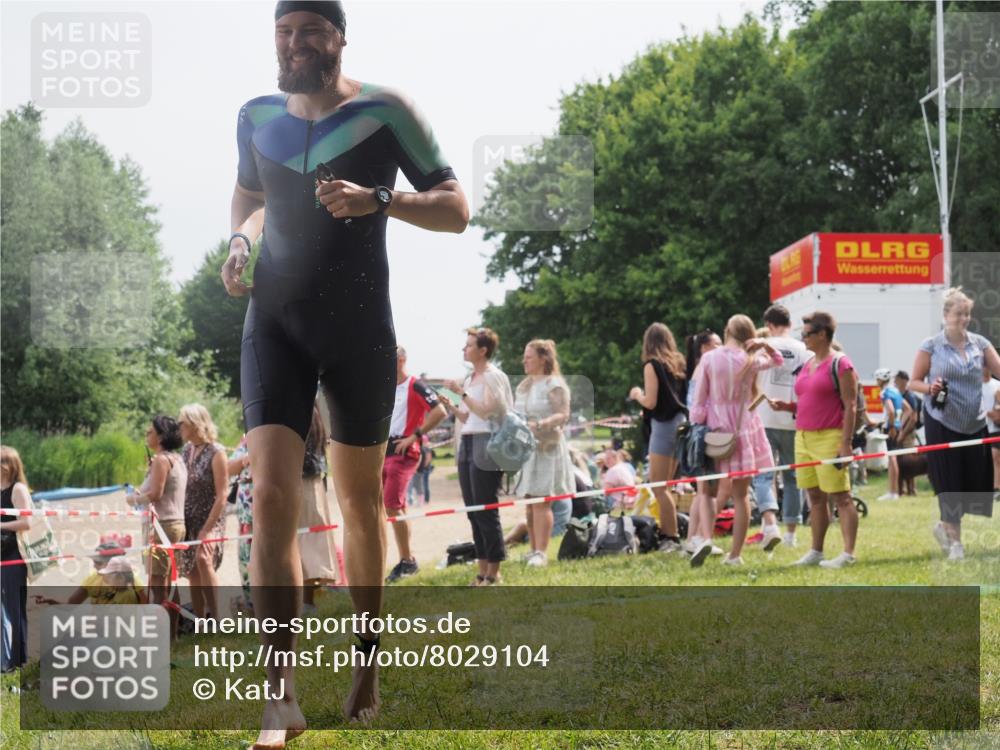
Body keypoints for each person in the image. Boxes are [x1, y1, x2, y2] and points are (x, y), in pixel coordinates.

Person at [220, 1, 469, 737]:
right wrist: (239, 240)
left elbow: (457, 208)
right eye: (283, 33)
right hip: (274, 323)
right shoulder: (254, 114)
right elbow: (252, 195)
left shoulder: (388, 109)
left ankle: (366, 661)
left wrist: (380, 200)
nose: (294, 45)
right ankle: (281, 694)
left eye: (308, 32)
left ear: (338, 38)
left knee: (361, 504)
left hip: (359, 331)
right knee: (270, 496)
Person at [910, 288, 1000, 561]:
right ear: (945, 315)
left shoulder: (980, 344)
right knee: (950, 482)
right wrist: (931, 388)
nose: (964, 319)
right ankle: (956, 544)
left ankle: (943, 527)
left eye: (967, 314)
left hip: (973, 423)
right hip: (941, 421)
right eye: (958, 314)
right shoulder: (931, 346)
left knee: (973, 483)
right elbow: (914, 381)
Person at [689, 315, 783, 565]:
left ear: (727, 330)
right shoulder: (751, 360)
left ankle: (706, 538)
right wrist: (763, 345)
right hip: (746, 429)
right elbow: (777, 360)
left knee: (708, 491)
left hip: (716, 430)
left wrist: (696, 423)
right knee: (741, 496)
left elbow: (699, 402)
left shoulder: (709, 358)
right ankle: (735, 555)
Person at [772, 312, 860, 569]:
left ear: (823, 334)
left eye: (807, 334)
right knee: (815, 496)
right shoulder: (809, 363)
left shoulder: (841, 364)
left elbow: (851, 404)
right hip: (803, 437)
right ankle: (816, 551)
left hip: (830, 436)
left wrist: (846, 442)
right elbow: (807, 399)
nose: (803, 338)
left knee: (841, 497)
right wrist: (788, 406)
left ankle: (848, 554)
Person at [440, 327, 513, 586]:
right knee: (473, 510)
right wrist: (452, 405)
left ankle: (494, 573)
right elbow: (468, 416)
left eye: (469, 345)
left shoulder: (494, 377)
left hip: (488, 443)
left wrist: (461, 394)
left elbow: (489, 412)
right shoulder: (470, 379)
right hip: (469, 442)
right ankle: (482, 571)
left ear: (483, 350)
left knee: (486, 509)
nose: (464, 349)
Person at [750, 305, 812, 550]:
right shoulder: (803, 349)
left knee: (763, 475)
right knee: (793, 477)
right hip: (792, 418)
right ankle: (791, 534)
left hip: (763, 418)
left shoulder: (761, 346)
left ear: (769, 323)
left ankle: (770, 524)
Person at [383, 347, 446, 583]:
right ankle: (405, 559)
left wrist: (414, 436)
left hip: (404, 452)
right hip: (384, 452)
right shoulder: (386, 387)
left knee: (392, 505)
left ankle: (407, 560)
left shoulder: (415, 384)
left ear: (401, 360)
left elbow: (439, 411)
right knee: (392, 507)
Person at [513, 339, 575, 567]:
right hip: (528, 448)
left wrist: (542, 424)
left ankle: (541, 552)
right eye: (524, 357)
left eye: (529, 357)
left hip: (548, 448)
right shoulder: (525, 385)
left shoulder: (553, 384)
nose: (524, 361)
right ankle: (532, 550)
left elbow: (563, 414)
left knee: (542, 501)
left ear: (543, 359)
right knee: (530, 500)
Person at [126, 416, 187, 636]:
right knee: (170, 580)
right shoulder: (176, 459)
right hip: (174, 523)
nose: (146, 434)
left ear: (161, 435)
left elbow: (156, 494)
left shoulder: (162, 460)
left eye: (150, 431)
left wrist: (134, 498)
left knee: (158, 581)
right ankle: (172, 632)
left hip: (162, 524)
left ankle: (164, 635)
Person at [628, 323, 686, 553]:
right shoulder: (678, 364)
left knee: (659, 487)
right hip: (680, 423)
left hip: (663, 427)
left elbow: (651, 402)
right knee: (667, 487)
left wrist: (637, 395)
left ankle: (670, 537)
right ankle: (670, 534)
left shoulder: (652, 365)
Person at [177, 404, 228, 620]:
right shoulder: (186, 451)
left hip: (210, 518)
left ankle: (217, 617)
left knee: (204, 559)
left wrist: (207, 530)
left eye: (182, 423)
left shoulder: (217, 452)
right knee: (192, 571)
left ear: (195, 424)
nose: (179, 427)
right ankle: (199, 620)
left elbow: (223, 494)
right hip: (188, 518)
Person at [683, 329, 724, 562]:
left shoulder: (700, 367)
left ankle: (693, 539)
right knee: (707, 489)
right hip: (706, 431)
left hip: (698, 431)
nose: (721, 348)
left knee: (703, 489)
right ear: (704, 348)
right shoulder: (705, 367)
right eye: (716, 344)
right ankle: (698, 537)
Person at [300, 401, 340, 606]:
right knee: (309, 543)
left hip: (304, 483)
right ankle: (307, 601)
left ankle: (307, 602)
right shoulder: (313, 414)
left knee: (305, 543)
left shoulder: (304, 414)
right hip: (311, 482)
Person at [1, 446, 31, 672]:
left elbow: (26, 522)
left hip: (13, 554)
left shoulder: (17, 489)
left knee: (15, 608)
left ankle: (18, 660)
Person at [874, 368, 912, 501]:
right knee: (893, 458)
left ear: (880, 379)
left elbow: (890, 411)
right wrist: (899, 424)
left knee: (892, 459)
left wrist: (891, 426)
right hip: (896, 427)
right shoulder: (896, 391)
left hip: (890, 429)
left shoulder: (885, 392)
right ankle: (894, 491)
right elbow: (908, 410)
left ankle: (892, 492)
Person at [227, 434, 255, 611]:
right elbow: (229, 467)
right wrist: (246, 460)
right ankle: (252, 607)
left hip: (269, 514)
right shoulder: (247, 439)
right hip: (246, 516)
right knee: (246, 563)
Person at [983, 368, 1000, 501]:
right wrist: (987, 413)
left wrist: (995, 412)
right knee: (982, 458)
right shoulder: (974, 385)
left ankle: (996, 488)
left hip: (995, 428)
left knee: (996, 457)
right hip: (979, 428)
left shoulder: (997, 385)